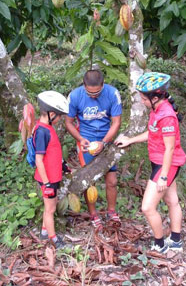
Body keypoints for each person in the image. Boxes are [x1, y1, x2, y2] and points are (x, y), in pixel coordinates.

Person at [115, 72, 186, 253]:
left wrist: (163, 176)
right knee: (172, 201)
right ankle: (176, 241)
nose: (142, 102)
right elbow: (153, 133)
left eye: (143, 99)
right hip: (161, 162)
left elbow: (170, 148)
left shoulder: (167, 116)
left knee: (147, 207)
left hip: (167, 165)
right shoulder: (157, 110)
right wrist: (130, 140)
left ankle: (159, 244)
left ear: (155, 97)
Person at [65, 69, 122, 229]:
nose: (94, 96)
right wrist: (80, 139)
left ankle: (111, 211)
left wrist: (104, 142)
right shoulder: (75, 96)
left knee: (112, 181)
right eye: (90, 93)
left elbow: (116, 122)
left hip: (106, 140)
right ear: (84, 86)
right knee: (90, 182)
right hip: (86, 142)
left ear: (103, 85)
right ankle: (93, 214)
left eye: (97, 92)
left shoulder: (113, 93)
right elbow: (68, 123)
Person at [34, 90, 70, 249]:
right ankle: (54, 239)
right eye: (59, 115)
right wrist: (47, 183)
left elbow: (53, 151)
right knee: (50, 210)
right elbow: (38, 160)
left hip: (53, 176)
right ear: (50, 114)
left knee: (51, 205)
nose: (60, 119)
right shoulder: (41, 131)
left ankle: (43, 231)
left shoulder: (48, 128)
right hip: (47, 178)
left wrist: (64, 167)